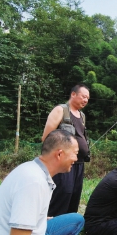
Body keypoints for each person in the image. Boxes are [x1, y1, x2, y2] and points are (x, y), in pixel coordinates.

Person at [42, 84, 90, 217]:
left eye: (88, 98)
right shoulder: (60, 110)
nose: (86, 100)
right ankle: (51, 231)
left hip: (79, 164)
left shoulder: (82, 115)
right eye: (83, 96)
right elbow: (46, 138)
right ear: (73, 94)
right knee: (62, 194)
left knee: (74, 196)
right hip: (62, 163)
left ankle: (67, 232)